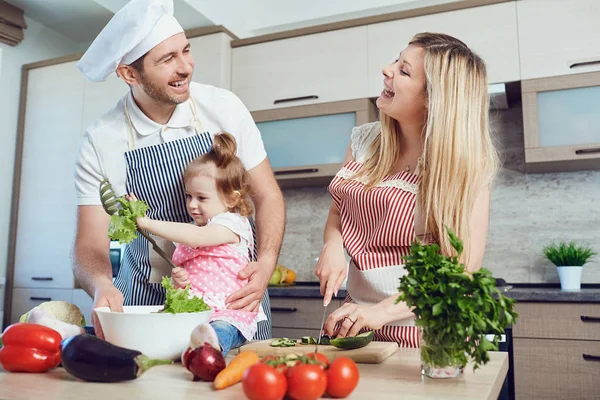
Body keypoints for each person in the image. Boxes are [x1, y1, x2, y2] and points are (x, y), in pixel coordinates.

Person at [73, 0, 284, 339]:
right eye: (168, 59)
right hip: (146, 300)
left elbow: (268, 196)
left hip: (230, 298)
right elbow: (89, 241)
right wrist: (100, 284)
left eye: (186, 50)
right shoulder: (102, 140)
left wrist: (267, 262)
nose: (186, 66)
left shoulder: (223, 107)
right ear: (130, 74)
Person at [315, 32, 500, 347]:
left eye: (403, 70)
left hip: (430, 336)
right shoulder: (365, 142)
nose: (387, 70)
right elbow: (338, 211)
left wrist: (381, 312)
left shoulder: (467, 167)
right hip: (360, 322)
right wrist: (332, 247)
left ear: (433, 98)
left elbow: (460, 271)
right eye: (395, 61)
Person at [128, 133, 263, 356]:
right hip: (193, 314)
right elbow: (190, 277)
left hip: (227, 314)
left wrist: (146, 223)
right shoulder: (194, 229)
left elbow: (196, 237)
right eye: (188, 196)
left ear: (231, 198)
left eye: (201, 198)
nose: (192, 204)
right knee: (154, 330)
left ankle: (207, 354)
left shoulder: (232, 225)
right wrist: (178, 283)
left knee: (219, 330)